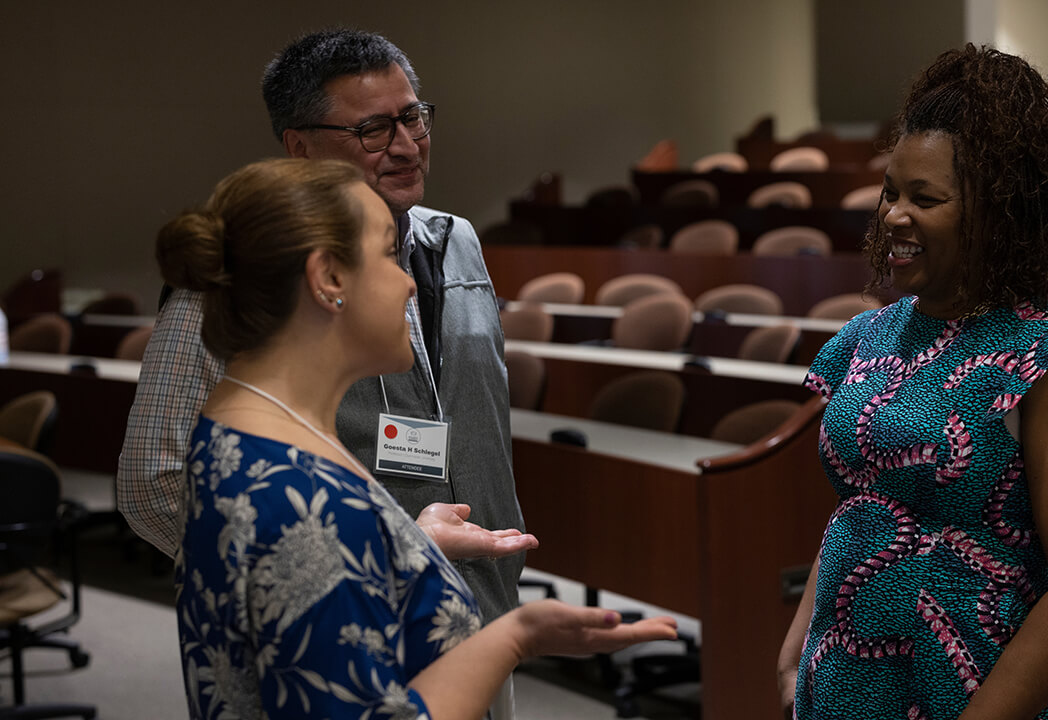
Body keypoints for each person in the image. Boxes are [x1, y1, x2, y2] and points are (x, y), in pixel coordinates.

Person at [159, 157, 678, 719]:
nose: (409, 280)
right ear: (329, 279)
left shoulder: (237, 423)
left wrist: (402, 540)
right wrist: (517, 636)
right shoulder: (305, 500)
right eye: (387, 254)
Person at [777, 45, 1048, 720]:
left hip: (975, 693)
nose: (894, 214)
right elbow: (862, 504)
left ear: (998, 215)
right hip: (846, 687)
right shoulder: (869, 336)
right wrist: (799, 639)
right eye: (891, 190)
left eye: (926, 198)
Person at [118, 29, 529, 621]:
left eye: (413, 117)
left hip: (483, 600)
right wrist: (323, 580)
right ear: (300, 148)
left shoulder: (455, 241)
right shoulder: (243, 273)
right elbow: (154, 486)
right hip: (348, 619)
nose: (408, 145)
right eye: (373, 129)